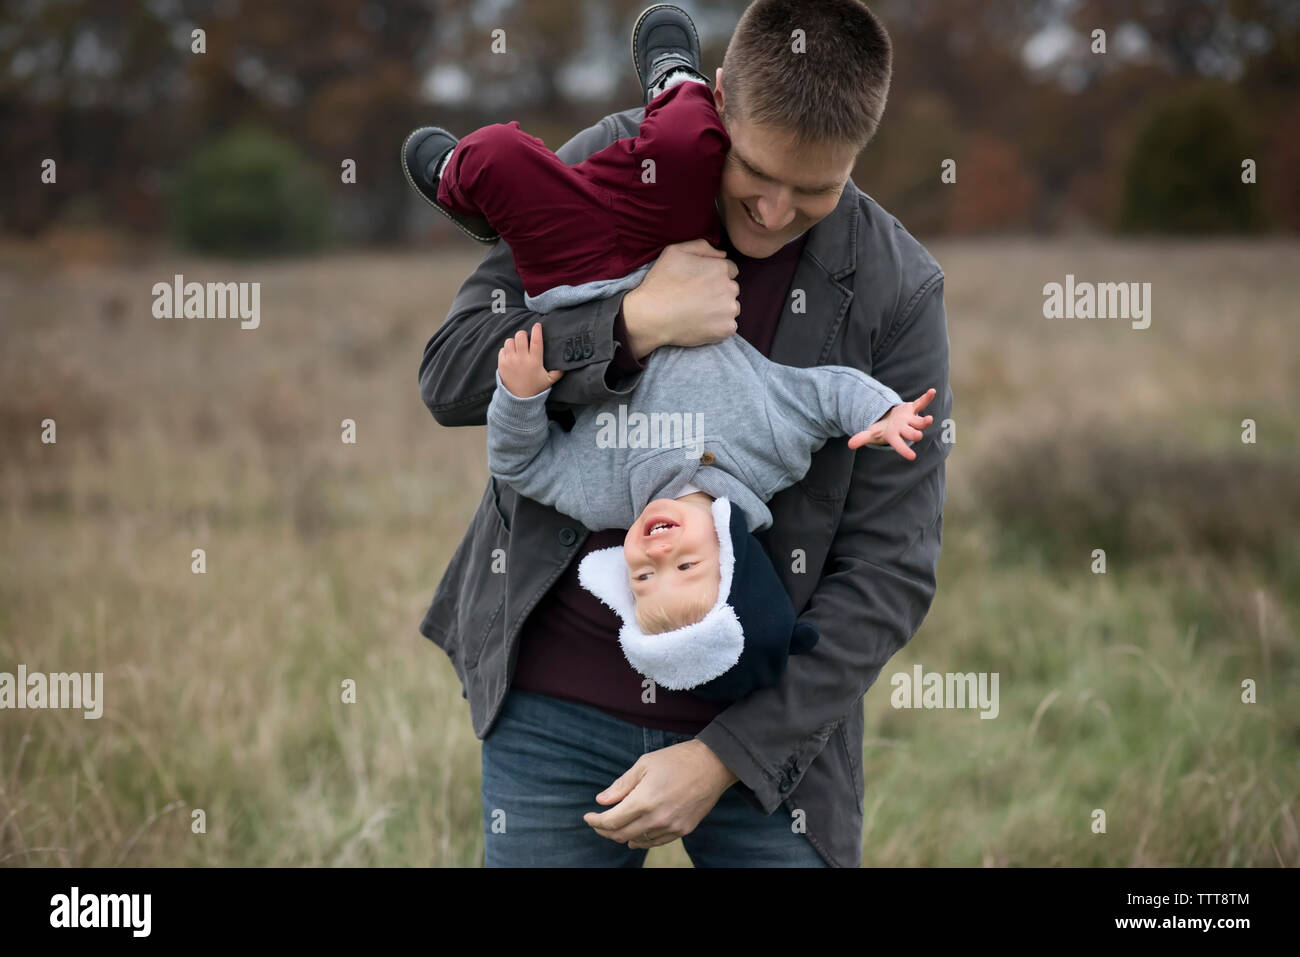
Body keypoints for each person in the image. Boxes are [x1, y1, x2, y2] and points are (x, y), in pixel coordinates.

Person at [413, 1, 952, 868]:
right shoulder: (623, 156)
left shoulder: (898, 288)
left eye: (814, 190)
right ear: (722, 98)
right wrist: (627, 324)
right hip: (552, 715)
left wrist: (721, 758)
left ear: (860, 152)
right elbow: (450, 374)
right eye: (756, 174)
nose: (775, 213)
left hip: (771, 748)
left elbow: (891, 569)